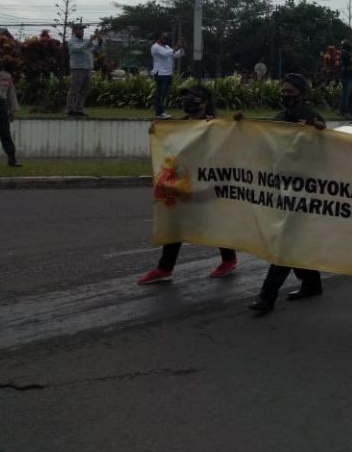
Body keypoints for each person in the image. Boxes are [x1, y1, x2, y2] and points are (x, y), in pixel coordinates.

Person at [137, 84, 237, 284]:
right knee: (175, 221)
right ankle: (164, 268)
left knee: (216, 222)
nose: (188, 100)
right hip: (184, 183)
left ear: (205, 102)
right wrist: (159, 131)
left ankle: (229, 259)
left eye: (193, 96)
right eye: (186, 96)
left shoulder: (215, 126)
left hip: (209, 184)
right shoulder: (179, 126)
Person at [249, 74, 327, 313]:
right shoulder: (280, 118)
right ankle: (312, 283)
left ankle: (267, 297)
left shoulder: (314, 119)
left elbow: (322, 152)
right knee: (294, 240)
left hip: (304, 189)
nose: (285, 96)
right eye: (283, 91)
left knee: (285, 240)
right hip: (282, 187)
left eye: (290, 92)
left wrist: (315, 133)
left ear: (302, 94)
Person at [65, 24, 102, 117]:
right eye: (79, 30)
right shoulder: (71, 41)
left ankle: (79, 109)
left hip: (87, 68)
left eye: (82, 30)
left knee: (84, 90)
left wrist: (99, 40)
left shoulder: (85, 40)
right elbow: (78, 49)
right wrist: (91, 40)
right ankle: (70, 109)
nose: (82, 31)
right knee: (75, 89)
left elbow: (95, 48)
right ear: (74, 31)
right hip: (77, 68)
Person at [150, 33, 184, 119]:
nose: (166, 39)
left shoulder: (167, 47)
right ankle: (159, 113)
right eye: (164, 37)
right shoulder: (155, 47)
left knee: (164, 94)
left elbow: (177, 55)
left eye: (166, 37)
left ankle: (161, 112)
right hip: (160, 73)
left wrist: (182, 47)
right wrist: (176, 47)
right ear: (159, 38)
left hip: (168, 73)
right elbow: (165, 54)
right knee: (160, 94)